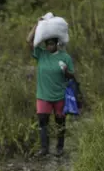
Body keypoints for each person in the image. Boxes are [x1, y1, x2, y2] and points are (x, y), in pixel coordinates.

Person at [26, 20, 75, 157]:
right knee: (43, 122)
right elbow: (29, 41)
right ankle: (44, 148)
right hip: (43, 96)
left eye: (51, 44)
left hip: (59, 96)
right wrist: (37, 25)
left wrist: (65, 71)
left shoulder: (65, 57)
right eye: (47, 44)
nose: (49, 47)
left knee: (60, 122)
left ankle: (59, 147)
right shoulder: (41, 54)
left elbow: (71, 76)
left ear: (57, 44)